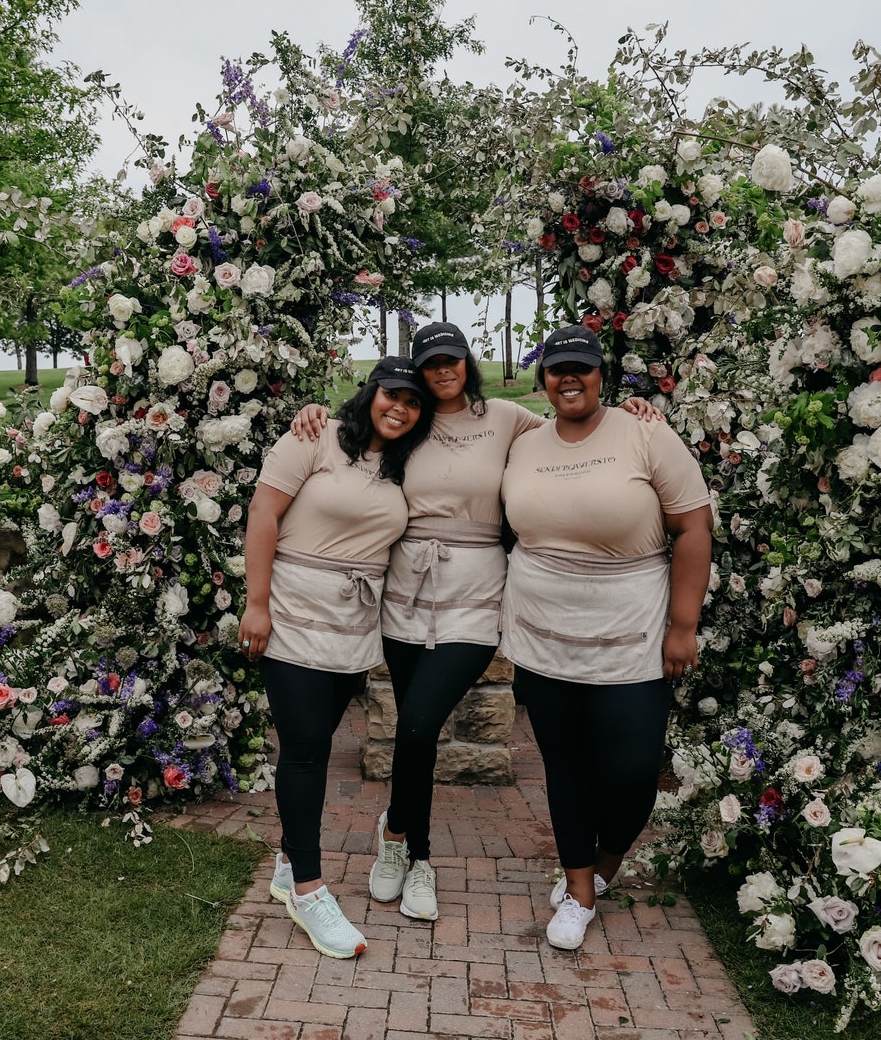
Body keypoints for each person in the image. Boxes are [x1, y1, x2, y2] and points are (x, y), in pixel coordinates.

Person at [290, 323, 661, 924]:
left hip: (475, 591)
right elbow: (348, 434)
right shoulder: (408, 421)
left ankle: (407, 843)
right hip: (405, 590)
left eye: (451, 359)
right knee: (416, 738)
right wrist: (314, 413)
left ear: (467, 363)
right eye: (430, 362)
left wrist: (628, 411)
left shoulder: (509, 418)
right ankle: (408, 852)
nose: (441, 371)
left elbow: (579, 433)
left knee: (416, 726)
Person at [499, 323, 713, 950]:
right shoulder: (526, 441)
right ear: (542, 381)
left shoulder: (645, 433)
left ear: (602, 376)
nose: (570, 378)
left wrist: (683, 625)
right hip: (543, 631)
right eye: (557, 369)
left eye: (583, 368)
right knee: (563, 765)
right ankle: (579, 890)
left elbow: (693, 528)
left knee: (633, 771)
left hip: (632, 630)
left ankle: (606, 860)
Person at [238, 356, 434, 959]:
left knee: (315, 741)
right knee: (304, 751)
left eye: (412, 400)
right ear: (370, 392)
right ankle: (309, 888)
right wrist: (256, 603)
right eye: (390, 394)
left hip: (353, 627)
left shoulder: (407, 465)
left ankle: (286, 862)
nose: (399, 407)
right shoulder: (314, 436)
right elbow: (263, 515)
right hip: (293, 614)